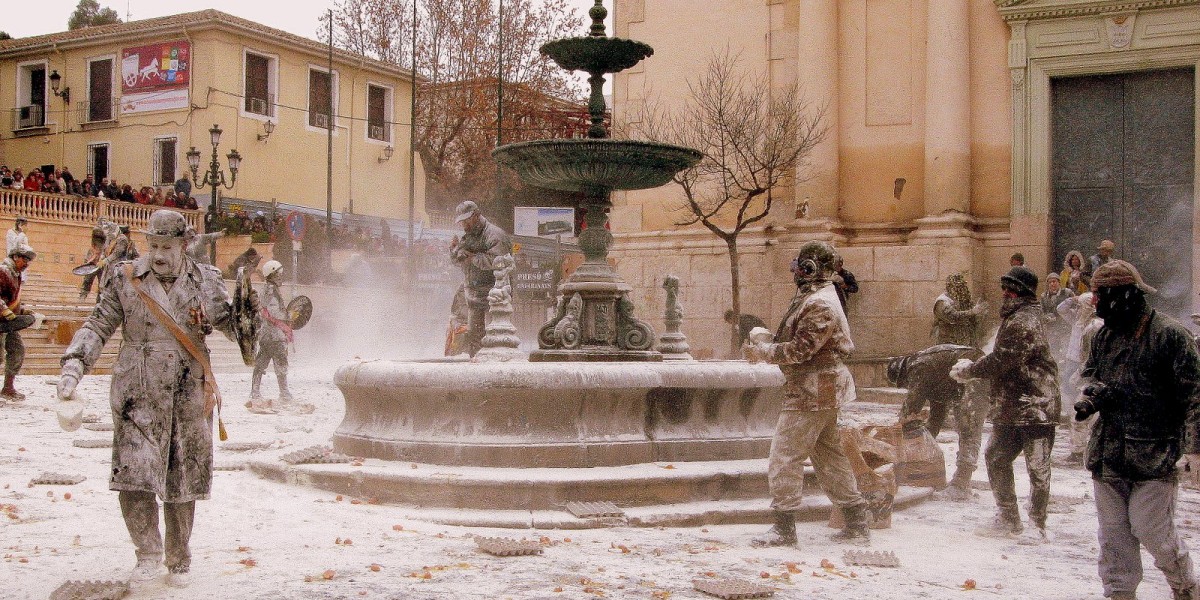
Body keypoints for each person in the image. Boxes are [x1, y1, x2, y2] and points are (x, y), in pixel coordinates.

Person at [57, 210, 243, 588]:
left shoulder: (205, 280)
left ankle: (178, 559)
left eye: (166, 247)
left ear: (184, 244)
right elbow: (98, 324)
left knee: (182, 478)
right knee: (134, 475)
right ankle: (146, 555)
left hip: (187, 392)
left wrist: (249, 318)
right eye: (153, 245)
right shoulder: (125, 278)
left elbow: (233, 327)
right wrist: (73, 366)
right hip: (136, 390)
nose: (158, 254)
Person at [1078, 260, 1199, 600]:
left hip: (1155, 454)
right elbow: (1088, 374)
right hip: (1108, 453)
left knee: (1151, 530)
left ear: (1124, 296)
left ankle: (1185, 586)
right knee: (1114, 537)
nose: (1096, 304)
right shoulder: (1103, 336)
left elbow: (1196, 395)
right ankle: (1119, 594)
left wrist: (1195, 449)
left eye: (1101, 296)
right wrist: (1092, 391)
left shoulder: (1170, 336)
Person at [744, 241, 870, 546]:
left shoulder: (820, 303)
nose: (795, 271)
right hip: (818, 388)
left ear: (811, 268)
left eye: (800, 265)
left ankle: (784, 527)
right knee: (828, 454)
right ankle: (856, 520)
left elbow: (801, 350)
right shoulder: (816, 297)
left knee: (785, 455)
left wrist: (763, 352)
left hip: (814, 390)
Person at [952, 266, 1059, 540]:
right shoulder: (1016, 317)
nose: (1004, 293)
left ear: (1021, 293)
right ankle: (1008, 517)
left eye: (1009, 289)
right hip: (1011, 403)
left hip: (1035, 404)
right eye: (1004, 288)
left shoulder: (1024, 321)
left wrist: (970, 370)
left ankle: (1037, 524)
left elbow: (1002, 360)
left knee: (1037, 466)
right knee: (997, 456)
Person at [887, 343, 987, 501]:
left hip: (974, 371)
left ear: (903, 373)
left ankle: (961, 484)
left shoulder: (919, 366)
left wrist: (894, 443)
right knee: (967, 427)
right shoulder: (934, 373)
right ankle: (961, 482)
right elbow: (936, 417)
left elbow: (910, 409)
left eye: (906, 384)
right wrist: (925, 452)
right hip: (969, 370)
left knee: (968, 428)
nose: (908, 386)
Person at [449, 200, 511, 357]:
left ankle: (496, 366)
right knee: (474, 337)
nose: (463, 225)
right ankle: (476, 364)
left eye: (466, 220)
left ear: (476, 215)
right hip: (474, 294)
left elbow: (498, 261)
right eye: (461, 221)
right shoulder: (469, 236)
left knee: (495, 336)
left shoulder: (494, 234)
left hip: (493, 295)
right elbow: (459, 261)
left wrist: (473, 258)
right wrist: (454, 251)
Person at [249, 260, 306, 414]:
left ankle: (255, 392)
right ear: (272, 275)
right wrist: (289, 315)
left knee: (261, 363)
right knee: (280, 363)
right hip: (274, 335)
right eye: (278, 274)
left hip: (267, 334)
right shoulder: (270, 291)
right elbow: (273, 312)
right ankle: (284, 393)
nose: (281, 277)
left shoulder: (270, 289)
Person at [0, 244, 37, 401]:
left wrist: (21, 311)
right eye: (25, 259)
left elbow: (13, 299)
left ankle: (8, 387)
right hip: (2, 318)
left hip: (8, 322)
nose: (26, 263)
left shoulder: (16, 274)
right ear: (15, 257)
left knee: (17, 350)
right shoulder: (3, 271)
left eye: (29, 260)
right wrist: (3, 310)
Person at [933, 273, 985, 347]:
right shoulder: (942, 301)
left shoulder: (962, 300)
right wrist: (972, 312)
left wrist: (979, 312)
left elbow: (972, 320)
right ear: (950, 287)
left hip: (964, 342)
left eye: (962, 286)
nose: (961, 289)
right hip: (948, 344)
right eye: (957, 286)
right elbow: (953, 317)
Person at [1040, 272, 1074, 360]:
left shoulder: (1067, 293)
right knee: (1053, 351)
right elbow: (1042, 311)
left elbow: (1074, 307)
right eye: (1050, 282)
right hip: (1051, 328)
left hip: (1065, 327)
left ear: (1059, 282)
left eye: (1054, 281)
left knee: (1066, 351)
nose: (1052, 284)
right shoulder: (1044, 296)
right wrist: (1046, 318)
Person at [79, 223, 108, 300]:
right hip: (93, 261)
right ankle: (83, 295)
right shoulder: (92, 247)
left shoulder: (106, 242)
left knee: (102, 283)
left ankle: (100, 300)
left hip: (102, 263)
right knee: (87, 280)